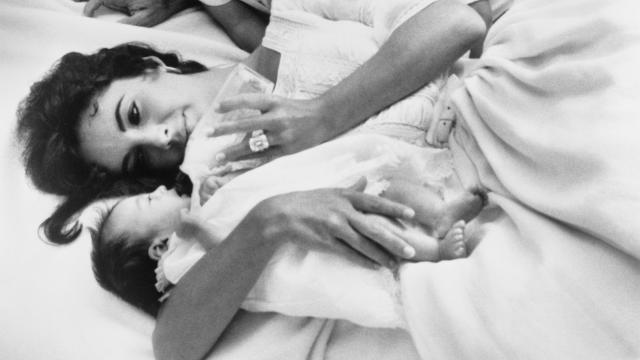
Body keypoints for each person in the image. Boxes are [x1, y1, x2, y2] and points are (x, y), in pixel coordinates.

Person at [17, 0, 489, 247]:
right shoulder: (222, 187)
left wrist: (324, 115)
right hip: (473, 186)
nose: (161, 137)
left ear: (150, 68)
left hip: (497, 94)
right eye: (139, 156)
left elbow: (460, 22)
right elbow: (176, 345)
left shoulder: (298, 14)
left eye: (135, 113)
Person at [91, 134, 487, 322]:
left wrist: (214, 191)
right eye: (147, 201)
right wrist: (197, 229)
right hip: (301, 253)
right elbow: (227, 247)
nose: (159, 188)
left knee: (383, 187)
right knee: (373, 235)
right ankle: (434, 253)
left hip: (314, 199)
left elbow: (240, 198)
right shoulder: (181, 264)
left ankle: (439, 213)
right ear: (158, 248)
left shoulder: (196, 208)